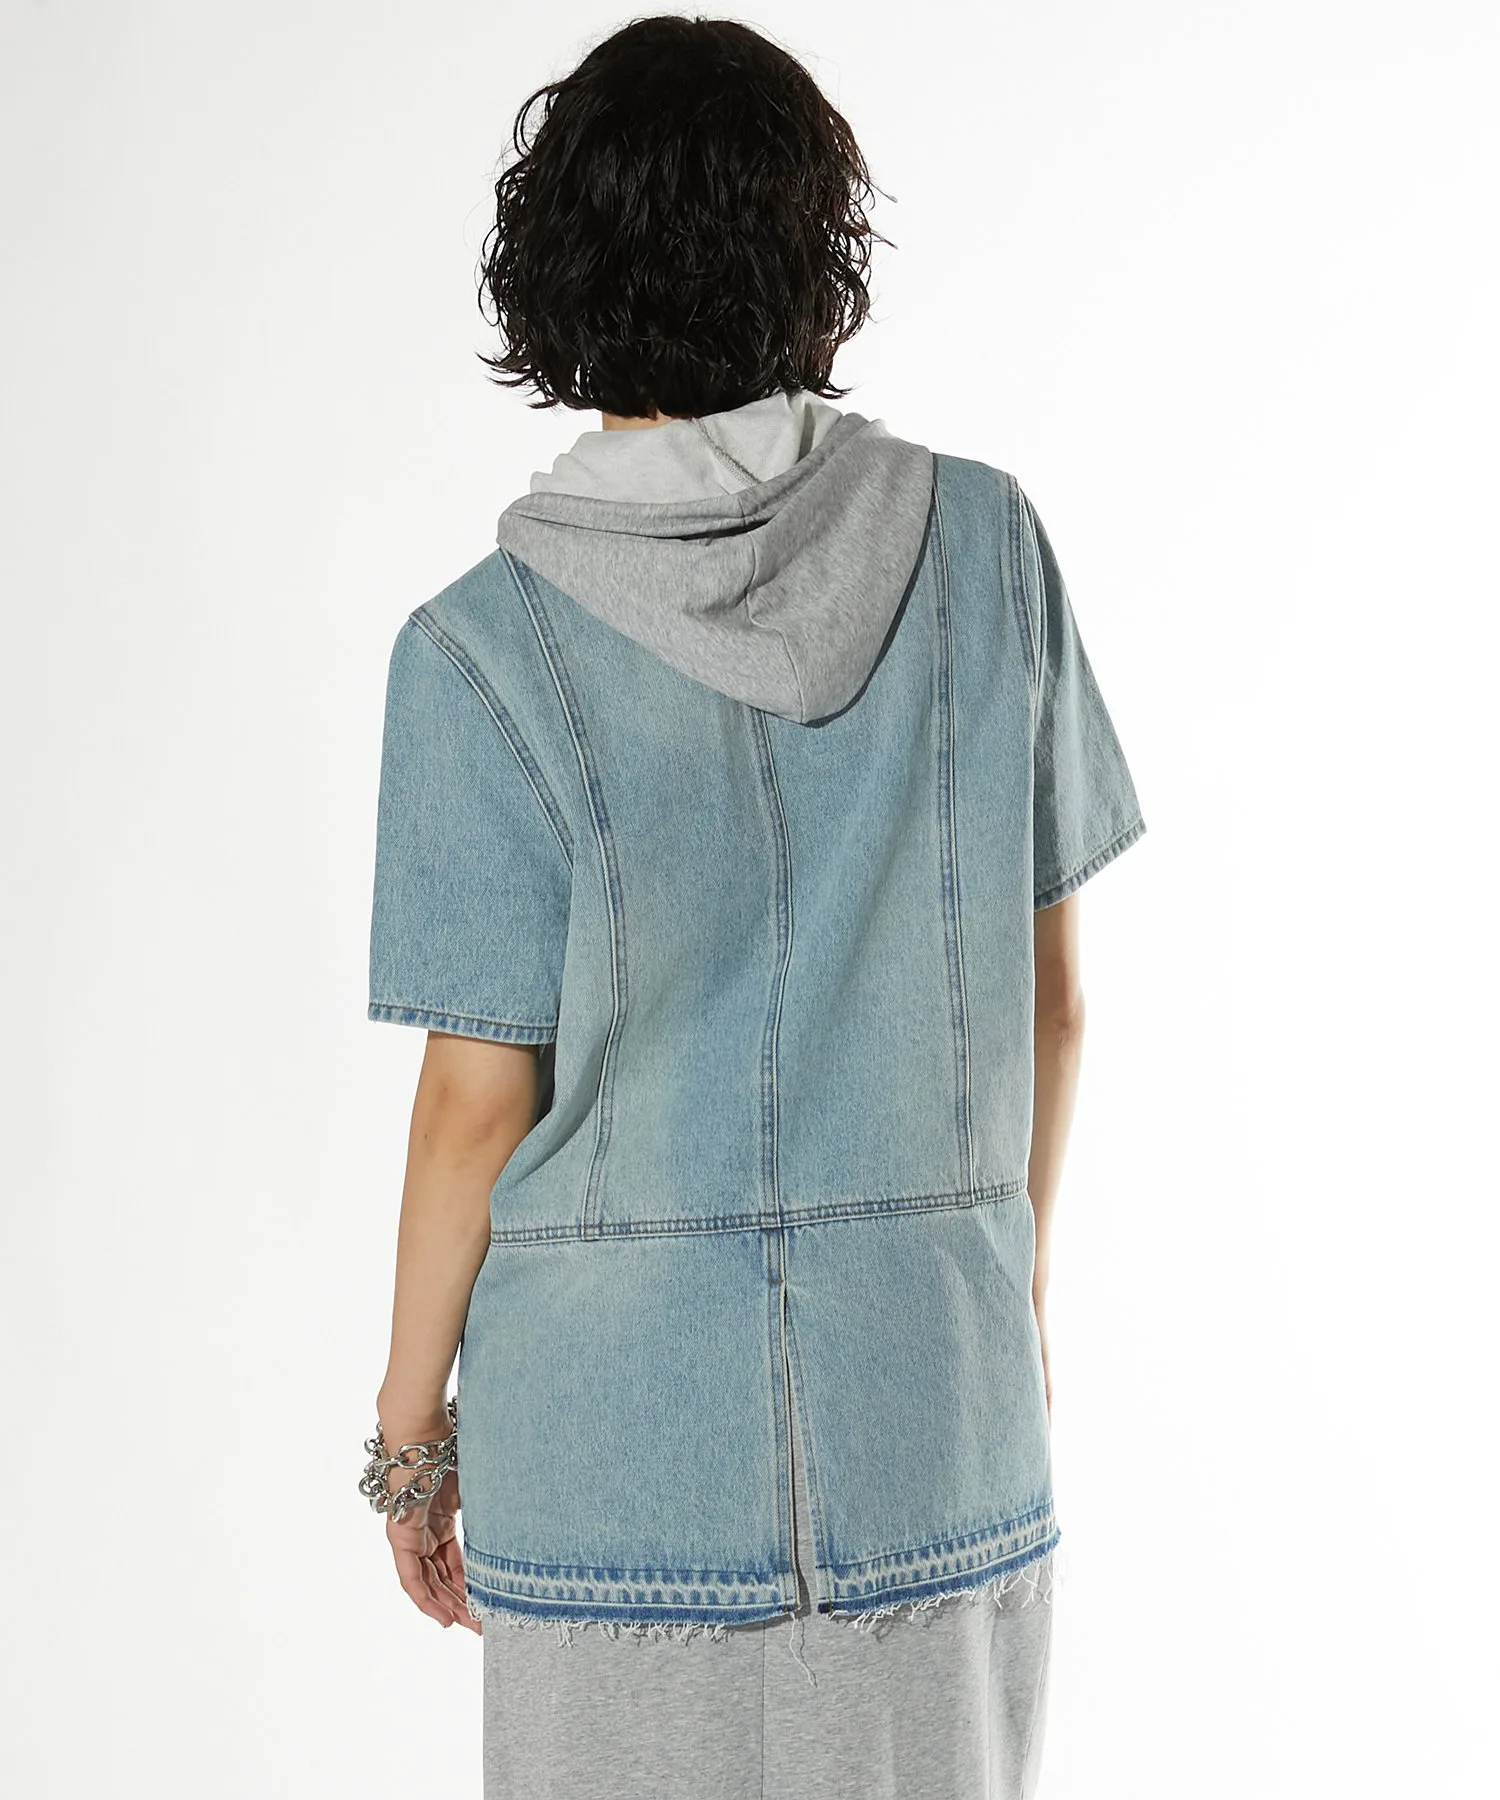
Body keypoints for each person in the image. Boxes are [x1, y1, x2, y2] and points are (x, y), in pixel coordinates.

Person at [358, 15, 1146, 1798]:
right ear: (814, 255)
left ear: (556, 270)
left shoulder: (477, 650)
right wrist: (1001, 1292)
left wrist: (410, 1443)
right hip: (934, 1410)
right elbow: (1054, 1003)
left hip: (612, 1450)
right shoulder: (986, 546)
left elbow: (476, 1101)